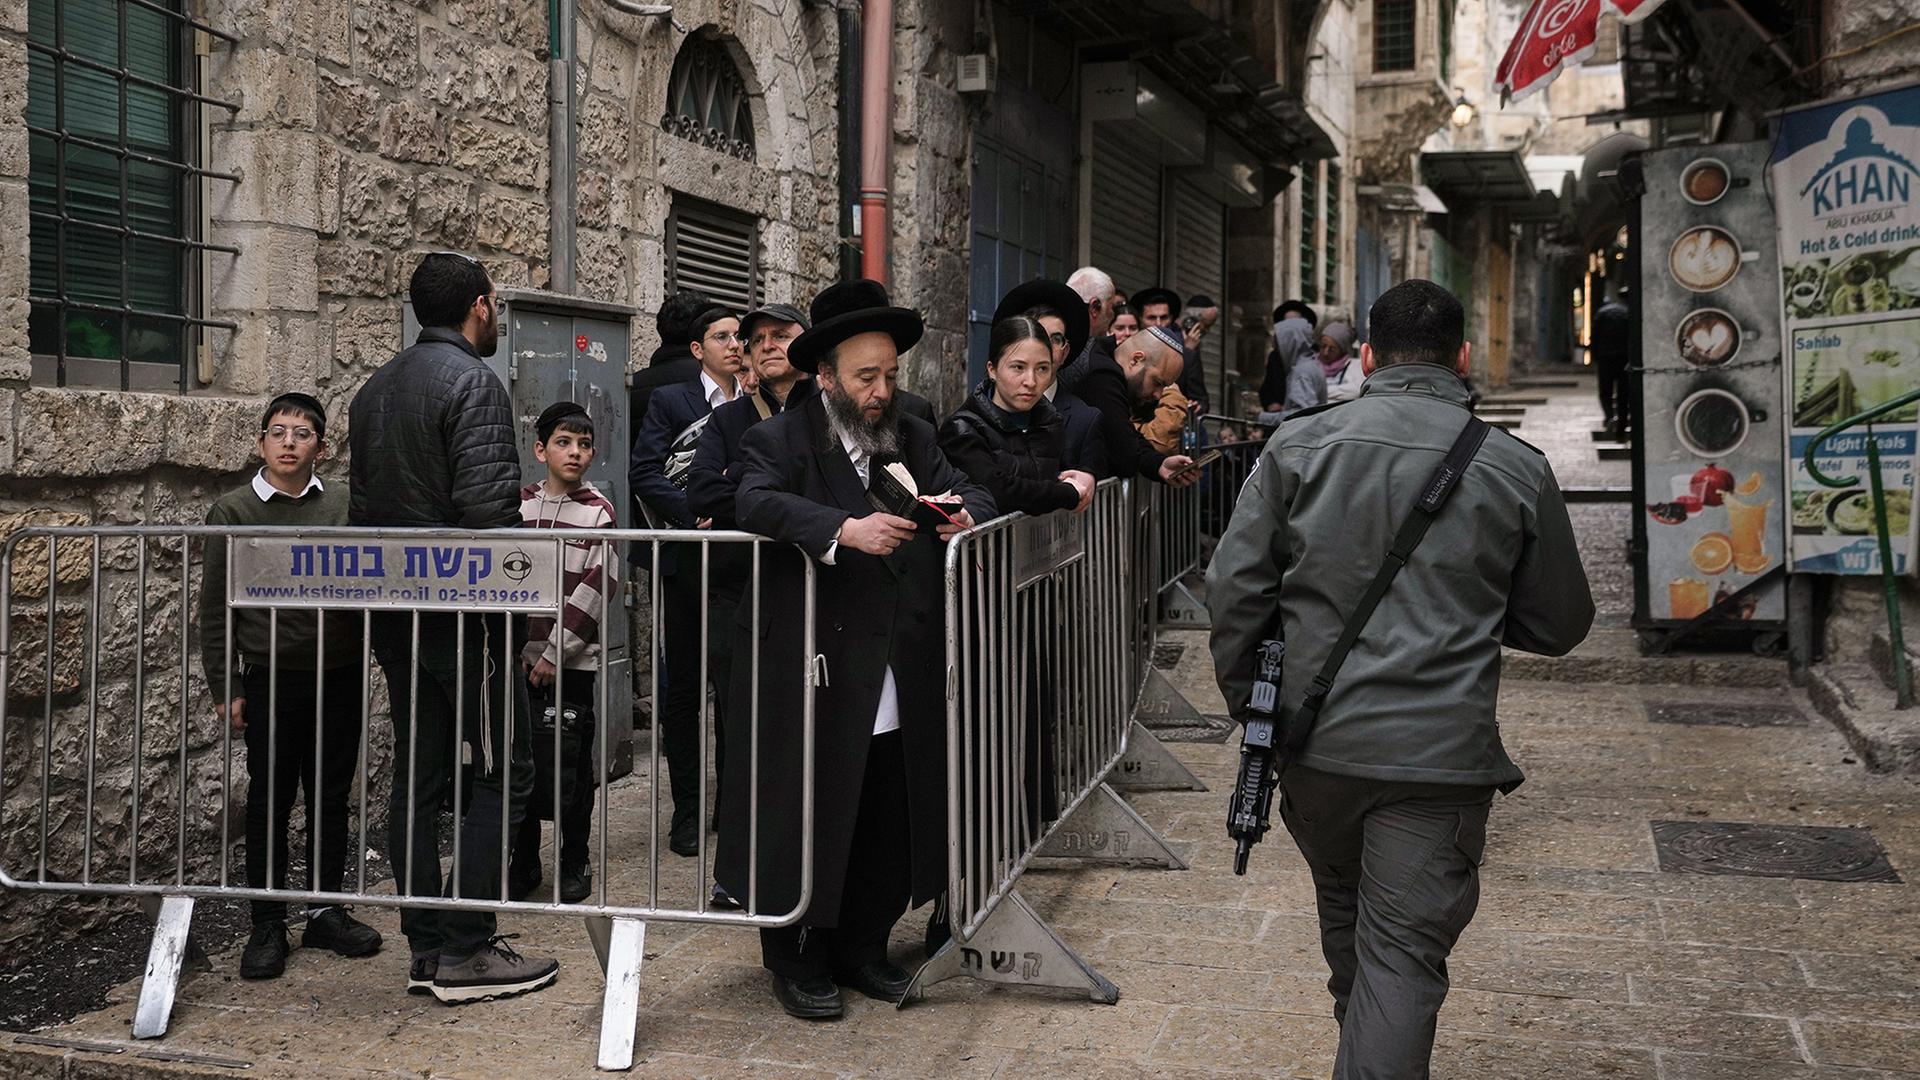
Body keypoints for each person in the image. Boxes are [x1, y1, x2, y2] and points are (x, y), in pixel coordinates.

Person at [1207, 279, 1593, 1077]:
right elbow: (1560, 624)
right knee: (1400, 959)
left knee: (1355, 926)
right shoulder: (1513, 467)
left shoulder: (1298, 446)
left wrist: (1256, 711)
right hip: (1437, 759)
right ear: (1462, 357)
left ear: (1370, 357)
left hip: (1318, 749)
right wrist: (1475, 608)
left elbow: (1238, 590)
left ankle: (1370, 1045)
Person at [716, 279, 996, 1020]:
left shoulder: (913, 431)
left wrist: (966, 514)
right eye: (865, 378)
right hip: (809, 661)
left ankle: (863, 946)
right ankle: (796, 955)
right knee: (805, 803)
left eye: (890, 376)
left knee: (883, 802)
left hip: (893, 661)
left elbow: (969, 486)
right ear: (827, 376)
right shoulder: (776, 438)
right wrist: (844, 531)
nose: (880, 392)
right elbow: (754, 500)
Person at [349, 251, 557, 1004]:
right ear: (478, 305)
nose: (497, 315)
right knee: (503, 771)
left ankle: (428, 948)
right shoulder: (473, 381)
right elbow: (489, 516)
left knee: (421, 774)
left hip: (398, 617)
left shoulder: (373, 388)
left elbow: (364, 512)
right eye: (495, 303)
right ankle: (466, 950)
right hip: (465, 621)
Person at [198, 392, 381, 981]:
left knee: (330, 794)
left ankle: (326, 911)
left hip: (340, 671)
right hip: (272, 675)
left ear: (320, 448)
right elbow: (216, 608)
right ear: (260, 444)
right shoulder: (233, 512)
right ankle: (267, 923)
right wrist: (226, 685)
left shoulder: (345, 507)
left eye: (301, 434)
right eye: (277, 432)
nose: (288, 442)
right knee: (270, 799)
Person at [630, 305, 744, 857]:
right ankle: (687, 813)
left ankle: (731, 806)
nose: (735, 345)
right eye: (721, 337)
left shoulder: (754, 405)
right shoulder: (672, 400)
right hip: (686, 561)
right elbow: (645, 470)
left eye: (738, 337)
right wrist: (688, 511)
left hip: (740, 564)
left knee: (732, 687)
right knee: (683, 690)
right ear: (697, 349)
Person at [509, 402, 617, 906]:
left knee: (571, 763)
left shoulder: (598, 511)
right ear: (540, 449)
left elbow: (598, 586)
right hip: (520, 661)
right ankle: (524, 858)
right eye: (563, 443)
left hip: (571, 663)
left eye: (584, 445)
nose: (575, 453)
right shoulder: (519, 505)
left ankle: (575, 857)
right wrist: (524, 653)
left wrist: (556, 652)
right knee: (522, 758)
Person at [939, 314, 1096, 516]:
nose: (1030, 381)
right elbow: (997, 490)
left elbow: (1060, 474)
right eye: (1018, 367)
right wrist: (1066, 493)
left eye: (1042, 368)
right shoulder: (962, 429)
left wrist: (1083, 477)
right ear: (992, 369)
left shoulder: (1050, 422)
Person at [994, 278, 1108, 478]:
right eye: (1037, 336)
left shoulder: (1085, 421)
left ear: (1065, 352)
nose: (1043, 347)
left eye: (1055, 339)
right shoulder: (979, 413)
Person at [1067, 321, 1200, 486]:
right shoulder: (1102, 375)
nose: (1158, 395)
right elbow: (1124, 455)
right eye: (1157, 382)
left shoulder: (1102, 360)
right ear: (1136, 360)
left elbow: (1125, 433)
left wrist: (1158, 464)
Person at [1263, 315, 1327, 418]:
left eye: (1279, 343)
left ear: (1290, 342)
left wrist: (1262, 417)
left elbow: (1301, 416)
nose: (1276, 349)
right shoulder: (1311, 365)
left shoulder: (1301, 372)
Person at [1593, 286, 1631, 437]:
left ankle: (1609, 416)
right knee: (1623, 394)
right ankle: (1621, 429)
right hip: (1624, 358)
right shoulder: (1631, 314)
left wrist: (1595, 355)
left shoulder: (1604, 312)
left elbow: (1594, 336)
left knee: (1605, 392)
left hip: (1605, 358)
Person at [1179, 294, 1219, 416]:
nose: (1206, 331)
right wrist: (1188, 353)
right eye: (1206, 325)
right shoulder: (1183, 345)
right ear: (1190, 322)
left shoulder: (1193, 345)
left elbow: (1200, 396)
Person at [1317, 321, 1364, 403]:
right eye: (1323, 346)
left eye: (1332, 349)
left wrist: (1320, 392)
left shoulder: (1355, 366)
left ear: (1342, 350)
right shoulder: (1311, 365)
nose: (1325, 353)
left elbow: (1358, 390)